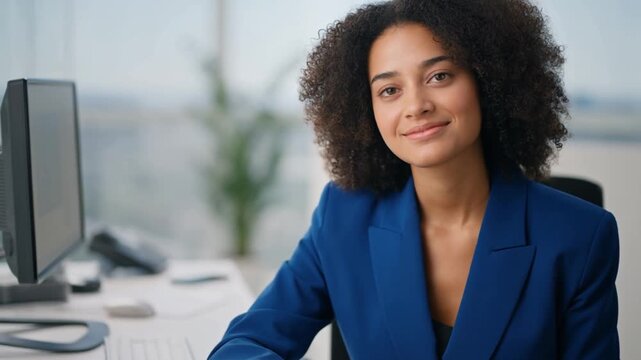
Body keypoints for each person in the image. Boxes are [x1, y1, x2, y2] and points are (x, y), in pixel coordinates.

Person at [209, 0, 620, 358]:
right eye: (389, 90)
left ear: (487, 81)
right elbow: (250, 340)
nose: (416, 106)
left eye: (439, 76)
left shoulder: (580, 237)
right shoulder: (344, 214)